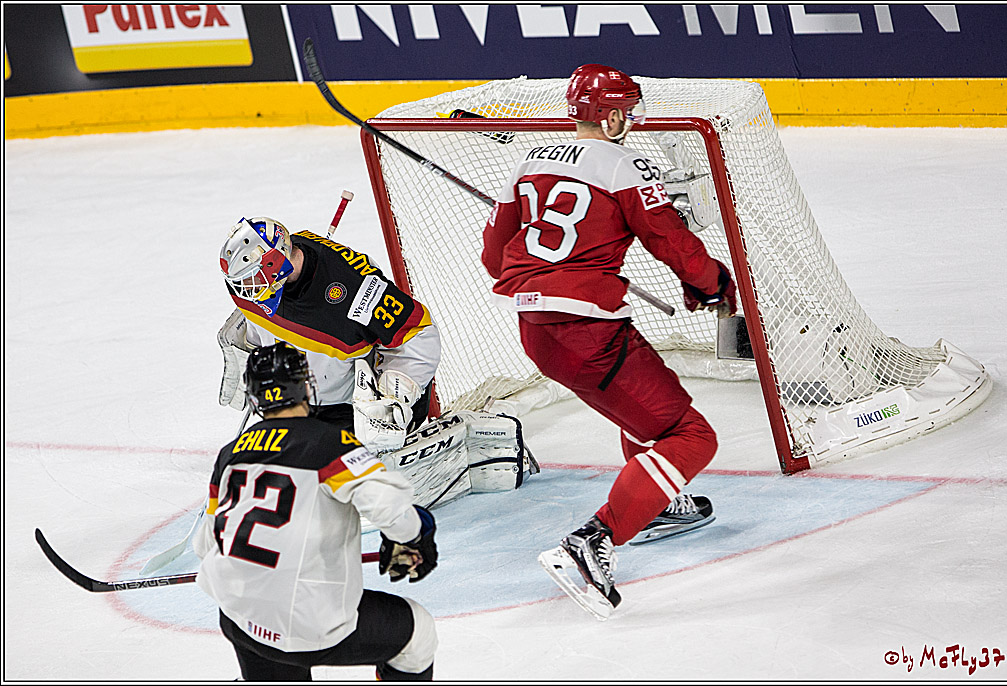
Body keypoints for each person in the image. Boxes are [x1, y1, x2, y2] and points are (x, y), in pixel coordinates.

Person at [481, 64, 737, 618]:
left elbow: (492, 255)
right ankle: (594, 538)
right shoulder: (624, 164)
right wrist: (710, 282)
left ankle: (656, 503)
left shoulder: (528, 163)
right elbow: (669, 237)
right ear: (613, 114)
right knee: (690, 437)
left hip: (537, 331)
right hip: (588, 329)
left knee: (638, 405)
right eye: (627, 110)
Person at [193, 342, 439, 681]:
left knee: (266, 640)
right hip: (312, 626)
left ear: (255, 398)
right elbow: (391, 510)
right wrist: (416, 535)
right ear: (306, 387)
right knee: (418, 634)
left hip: (239, 619)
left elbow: (206, 546)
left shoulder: (229, 455)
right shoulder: (330, 443)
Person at [218, 216, 441, 452]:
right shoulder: (256, 290)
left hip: (354, 410)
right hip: (304, 406)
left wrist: (392, 398)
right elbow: (261, 330)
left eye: (250, 277)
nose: (244, 289)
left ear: (274, 263)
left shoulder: (359, 291)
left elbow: (419, 333)